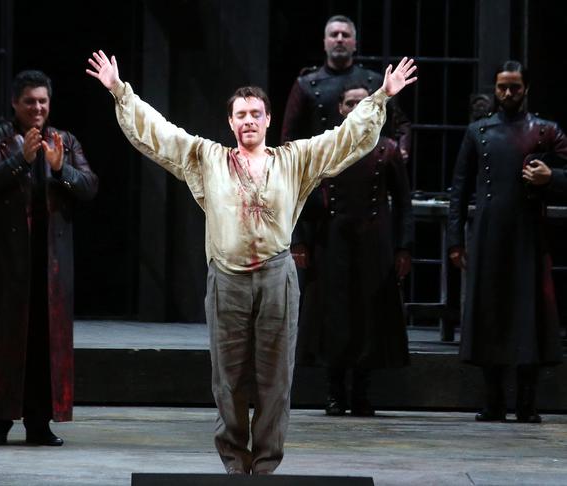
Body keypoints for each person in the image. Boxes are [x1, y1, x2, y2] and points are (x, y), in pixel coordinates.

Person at [86, 49, 416, 474]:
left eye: (255, 114)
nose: (248, 121)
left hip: (276, 276)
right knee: (228, 378)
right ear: (230, 122)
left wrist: (380, 97)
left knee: (275, 378)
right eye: (240, 114)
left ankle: (264, 466)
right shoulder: (209, 159)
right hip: (228, 278)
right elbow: (161, 135)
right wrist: (120, 91)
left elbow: (343, 139)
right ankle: (235, 464)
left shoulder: (293, 159)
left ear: (268, 119)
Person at [0, 70, 98, 446]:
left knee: (44, 343)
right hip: (7, 259)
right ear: (14, 103)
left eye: (42, 101)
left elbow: (89, 186)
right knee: (1, 340)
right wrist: (20, 160)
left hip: (50, 261)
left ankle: (40, 423)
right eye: (29, 101)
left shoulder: (64, 140)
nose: (37, 108)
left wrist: (59, 168)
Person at [448, 60, 567, 424]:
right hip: (488, 234)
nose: (508, 93)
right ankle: (494, 401)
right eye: (502, 87)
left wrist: (551, 177)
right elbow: (459, 189)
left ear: (526, 88)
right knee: (491, 314)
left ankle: (527, 403)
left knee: (528, 315)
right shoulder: (478, 131)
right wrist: (456, 240)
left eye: (515, 87)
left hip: (529, 235)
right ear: (495, 88)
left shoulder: (546, 130)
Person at [293, 85, 413, 417]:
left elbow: (404, 203)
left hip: (374, 243)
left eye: (363, 102)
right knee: (334, 316)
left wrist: (404, 247)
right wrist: (299, 241)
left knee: (368, 316)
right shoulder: (325, 147)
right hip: (331, 241)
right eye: (351, 103)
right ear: (341, 109)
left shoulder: (387, 149)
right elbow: (299, 195)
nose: (357, 107)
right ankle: (334, 392)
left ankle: (361, 392)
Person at [281, 15, 411, 160]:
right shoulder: (306, 84)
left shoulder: (374, 82)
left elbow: (400, 124)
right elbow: (289, 136)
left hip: (366, 164)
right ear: (325, 43)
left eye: (345, 35)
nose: (339, 39)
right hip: (321, 164)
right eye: (334, 35)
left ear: (354, 44)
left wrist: (399, 154)